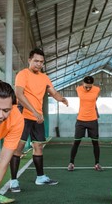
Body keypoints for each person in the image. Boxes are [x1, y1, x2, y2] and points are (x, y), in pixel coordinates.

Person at [9, 48, 68, 192]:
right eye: (36, 61)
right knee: (18, 148)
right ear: (29, 60)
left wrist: (61, 99)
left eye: (41, 62)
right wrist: (34, 112)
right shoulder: (22, 74)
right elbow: (19, 94)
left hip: (37, 117)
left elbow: (53, 92)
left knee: (39, 147)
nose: (38, 64)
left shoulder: (44, 77)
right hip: (23, 117)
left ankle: (40, 177)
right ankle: (13, 181)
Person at [67, 76, 102, 171]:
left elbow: (94, 101)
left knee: (95, 143)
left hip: (93, 120)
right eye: (86, 86)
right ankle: (71, 163)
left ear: (93, 85)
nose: (88, 88)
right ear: (83, 83)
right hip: (80, 120)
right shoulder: (78, 89)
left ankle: (97, 164)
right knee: (76, 142)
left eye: (90, 87)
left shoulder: (97, 89)